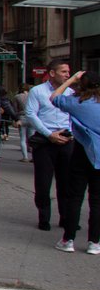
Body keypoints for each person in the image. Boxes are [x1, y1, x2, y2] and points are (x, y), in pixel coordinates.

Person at [48, 70, 100, 255]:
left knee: (75, 197)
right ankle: (94, 242)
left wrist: (71, 79)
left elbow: (54, 97)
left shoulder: (78, 102)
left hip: (81, 153)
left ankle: (68, 239)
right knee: (97, 201)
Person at [23, 59, 76, 231]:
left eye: (68, 72)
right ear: (52, 73)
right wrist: (49, 134)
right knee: (43, 182)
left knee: (66, 182)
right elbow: (31, 114)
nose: (68, 75)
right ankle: (44, 217)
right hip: (45, 141)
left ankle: (66, 217)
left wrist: (70, 134)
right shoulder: (37, 91)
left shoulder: (70, 92)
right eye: (64, 72)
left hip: (66, 139)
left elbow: (74, 116)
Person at [14, 82, 32, 162]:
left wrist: (15, 119)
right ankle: (34, 156)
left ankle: (25, 157)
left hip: (22, 117)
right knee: (32, 138)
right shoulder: (32, 96)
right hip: (32, 118)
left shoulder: (17, 97)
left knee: (23, 138)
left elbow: (15, 109)